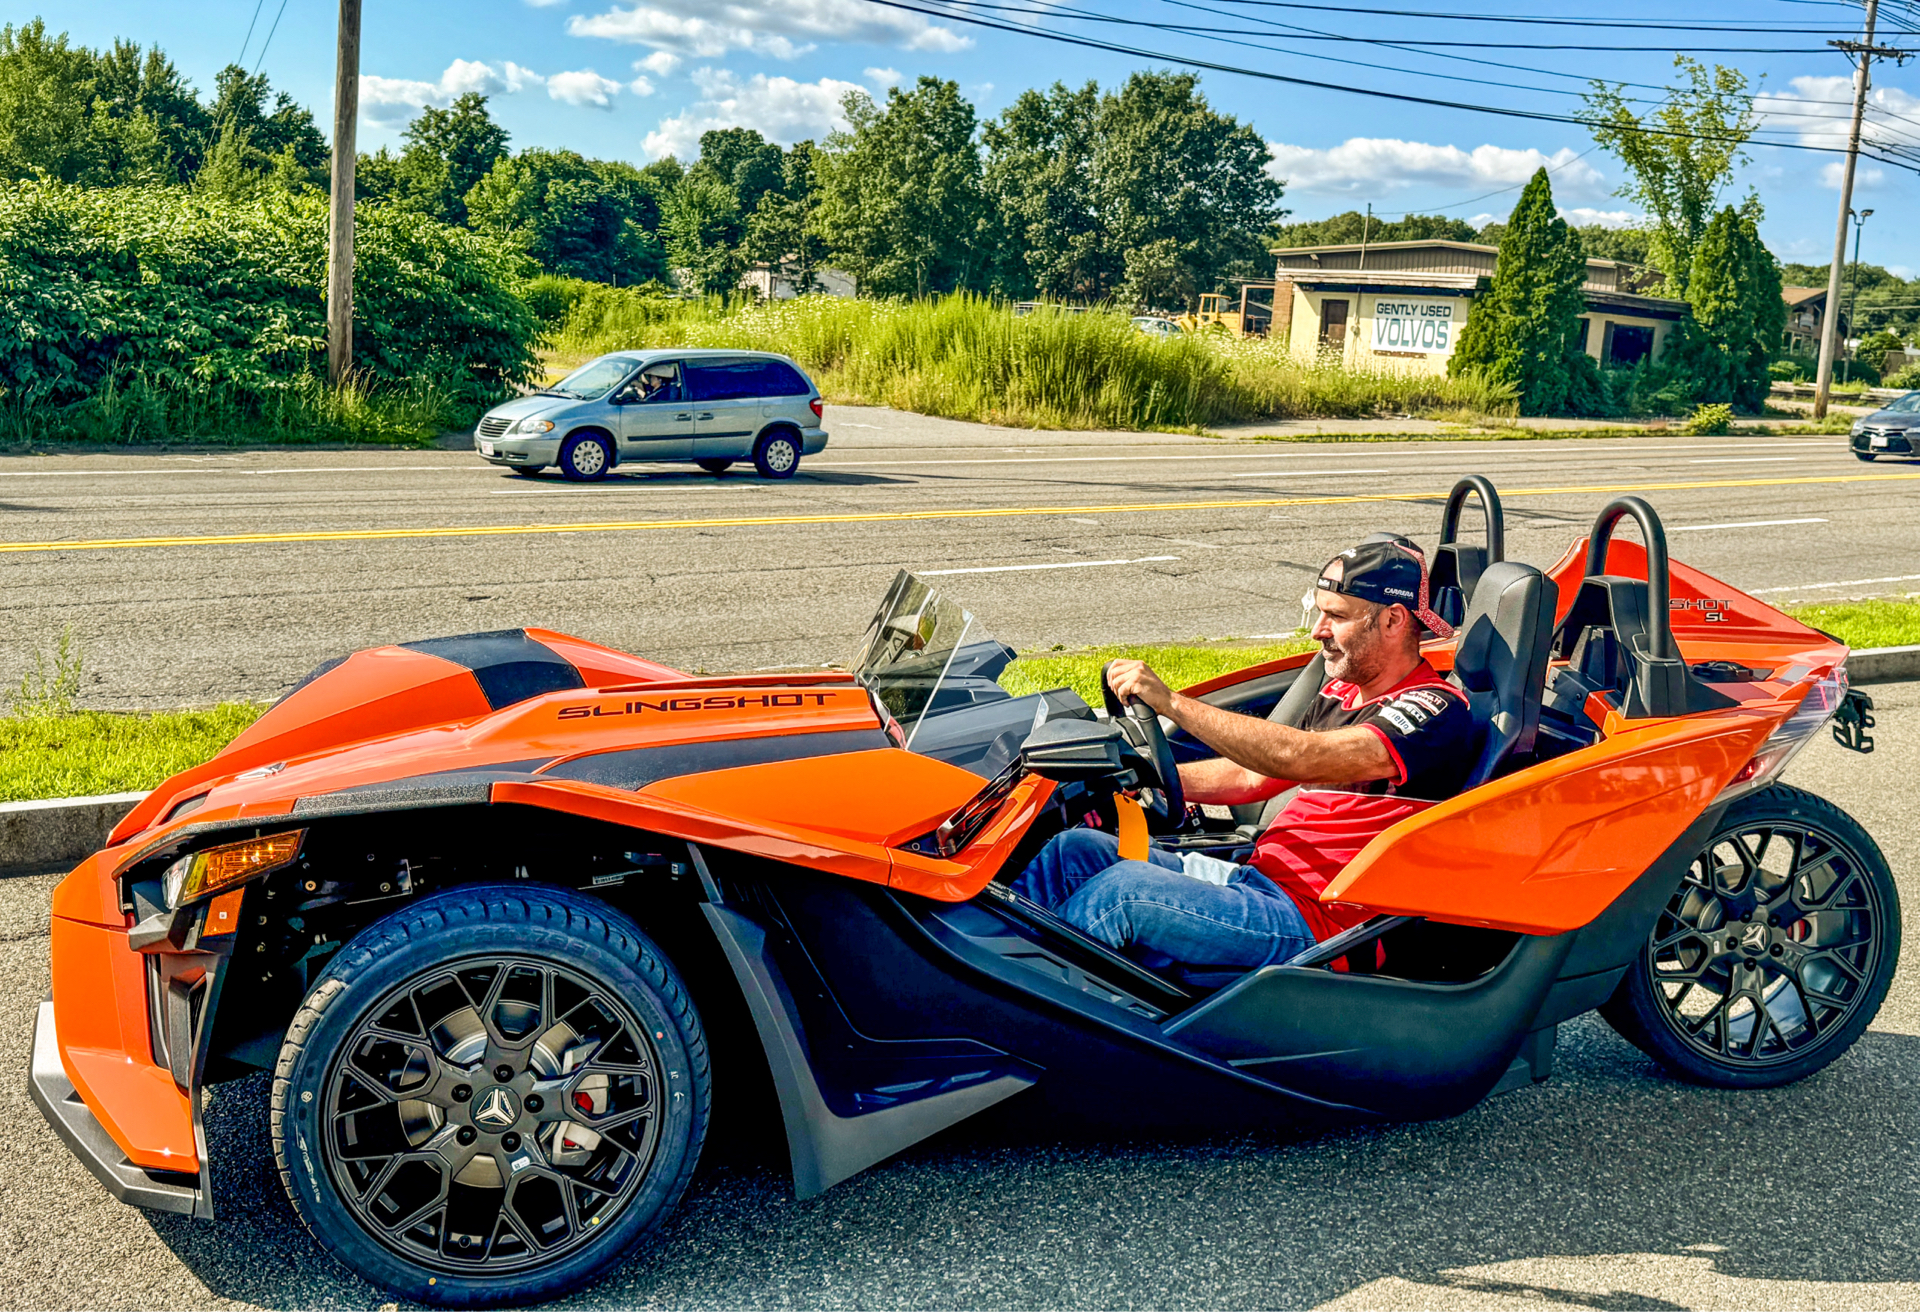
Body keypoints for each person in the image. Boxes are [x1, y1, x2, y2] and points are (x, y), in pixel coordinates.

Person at [1011, 536, 1476, 970]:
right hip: (1261, 881)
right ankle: (996, 958)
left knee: (1122, 894)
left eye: (1336, 615)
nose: (1318, 631)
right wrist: (1145, 774)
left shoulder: (1432, 709)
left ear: (1393, 620)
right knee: (1075, 851)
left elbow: (1301, 758)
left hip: (1321, 923)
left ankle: (1011, 1004)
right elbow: (1255, 779)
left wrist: (1172, 703)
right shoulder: (1340, 692)